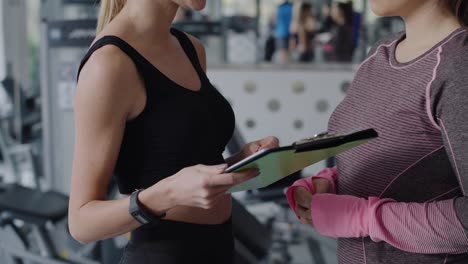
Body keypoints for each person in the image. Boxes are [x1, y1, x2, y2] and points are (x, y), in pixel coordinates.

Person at [67, 0, 279, 263]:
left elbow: (179, 165)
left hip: (221, 249)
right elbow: (81, 224)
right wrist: (168, 194)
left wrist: (240, 161)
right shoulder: (109, 65)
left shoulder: (191, 48)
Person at [286, 0, 468, 263]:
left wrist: (361, 216)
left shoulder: (458, 65)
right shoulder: (381, 51)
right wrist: (332, 182)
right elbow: (411, 159)